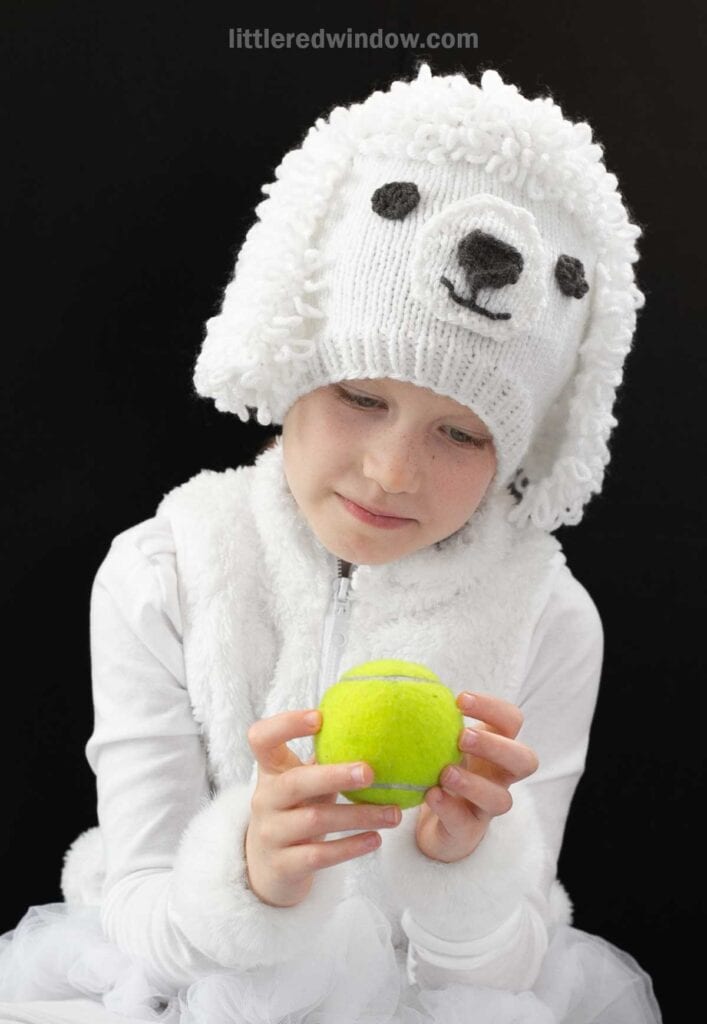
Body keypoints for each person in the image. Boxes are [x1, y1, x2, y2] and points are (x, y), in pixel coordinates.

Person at [0, 62, 663, 1023]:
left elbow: (506, 966)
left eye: (462, 433)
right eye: (361, 397)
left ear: (513, 450)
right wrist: (249, 877)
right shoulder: (166, 569)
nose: (393, 472)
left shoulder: (547, 619)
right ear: (290, 362)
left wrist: (460, 868)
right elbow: (140, 904)